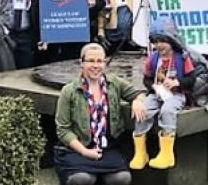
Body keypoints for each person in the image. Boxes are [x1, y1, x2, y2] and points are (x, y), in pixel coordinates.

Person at [54, 43, 145, 185]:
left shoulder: (114, 83)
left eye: (99, 61)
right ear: (81, 63)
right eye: (90, 61)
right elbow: (63, 130)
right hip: (78, 149)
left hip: (107, 148)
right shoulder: (69, 91)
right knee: (83, 179)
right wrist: (84, 151)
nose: (95, 66)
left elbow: (138, 93)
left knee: (122, 178)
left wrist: (137, 101)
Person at [130, 17, 196, 171]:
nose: (159, 45)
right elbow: (146, 79)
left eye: (162, 41)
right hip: (157, 94)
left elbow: (192, 79)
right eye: (156, 41)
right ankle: (140, 153)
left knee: (167, 111)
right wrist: (153, 86)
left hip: (177, 94)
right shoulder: (152, 59)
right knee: (142, 111)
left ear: (171, 40)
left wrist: (177, 83)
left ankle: (167, 154)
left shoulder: (182, 57)